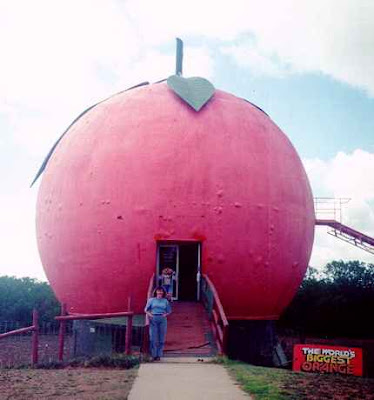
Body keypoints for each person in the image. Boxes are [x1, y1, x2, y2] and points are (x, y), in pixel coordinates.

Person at [144, 286, 172, 361]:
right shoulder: (151, 300)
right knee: (153, 337)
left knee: (161, 337)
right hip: (154, 318)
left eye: (161, 291)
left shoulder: (165, 301)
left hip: (162, 319)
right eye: (158, 291)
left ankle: (159, 355)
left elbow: (169, 310)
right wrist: (150, 315)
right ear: (156, 292)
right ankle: (154, 354)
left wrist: (165, 315)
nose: (160, 293)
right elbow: (146, 309)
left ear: (163, 292)